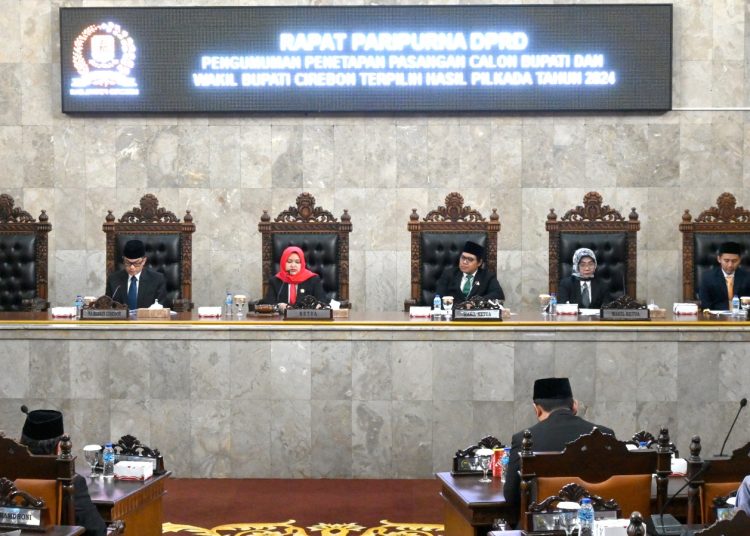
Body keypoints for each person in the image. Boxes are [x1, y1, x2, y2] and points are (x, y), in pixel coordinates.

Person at [502, 377, 615, 526]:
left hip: (540, 528)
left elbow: (511, 497)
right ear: (574, 406)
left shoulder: (523, 439)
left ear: (537, 409)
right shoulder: (605, 435)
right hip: (594, 526)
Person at [19, 405, 107, 536]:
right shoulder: (71, 482)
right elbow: (96, 530)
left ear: (22, 444)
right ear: (59, 448)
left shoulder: (8, 478)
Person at [433, 240, 504, 305]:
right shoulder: (449, 274)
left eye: (470, 259)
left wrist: (475, 302)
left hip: (476, 316)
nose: (464, 262)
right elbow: (438, 298)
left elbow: (499, 295)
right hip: (452, 315)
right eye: (463, 258)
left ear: (479, 263)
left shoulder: (487, 277)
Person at [105, 239, 168, 310]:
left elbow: (161, 309)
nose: (132, 267)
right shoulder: (113, 279)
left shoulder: (157, 280)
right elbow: (107, 307)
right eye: (128, 263)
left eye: (136, 263)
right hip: (121, 321)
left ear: (144, 261)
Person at [261, 246, 327, 310]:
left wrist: (319, 306)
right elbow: (269, 304)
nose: (293, 265)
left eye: (297, 262)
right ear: (283, 262)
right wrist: (278, 306)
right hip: (281, 319)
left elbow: (322, 301)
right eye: (289, 261)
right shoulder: (275, 281)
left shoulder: (313, 279)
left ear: (302, 264)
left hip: (307, 319)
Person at [699, 241, 750, 310]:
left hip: (742, 317)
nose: (730, 265)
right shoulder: (707, 277)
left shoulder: (747, 277)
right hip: (717, 318)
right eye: (726, 260)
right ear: (719, 259)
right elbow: (705, 304)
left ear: (740, 260)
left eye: (734, 261)